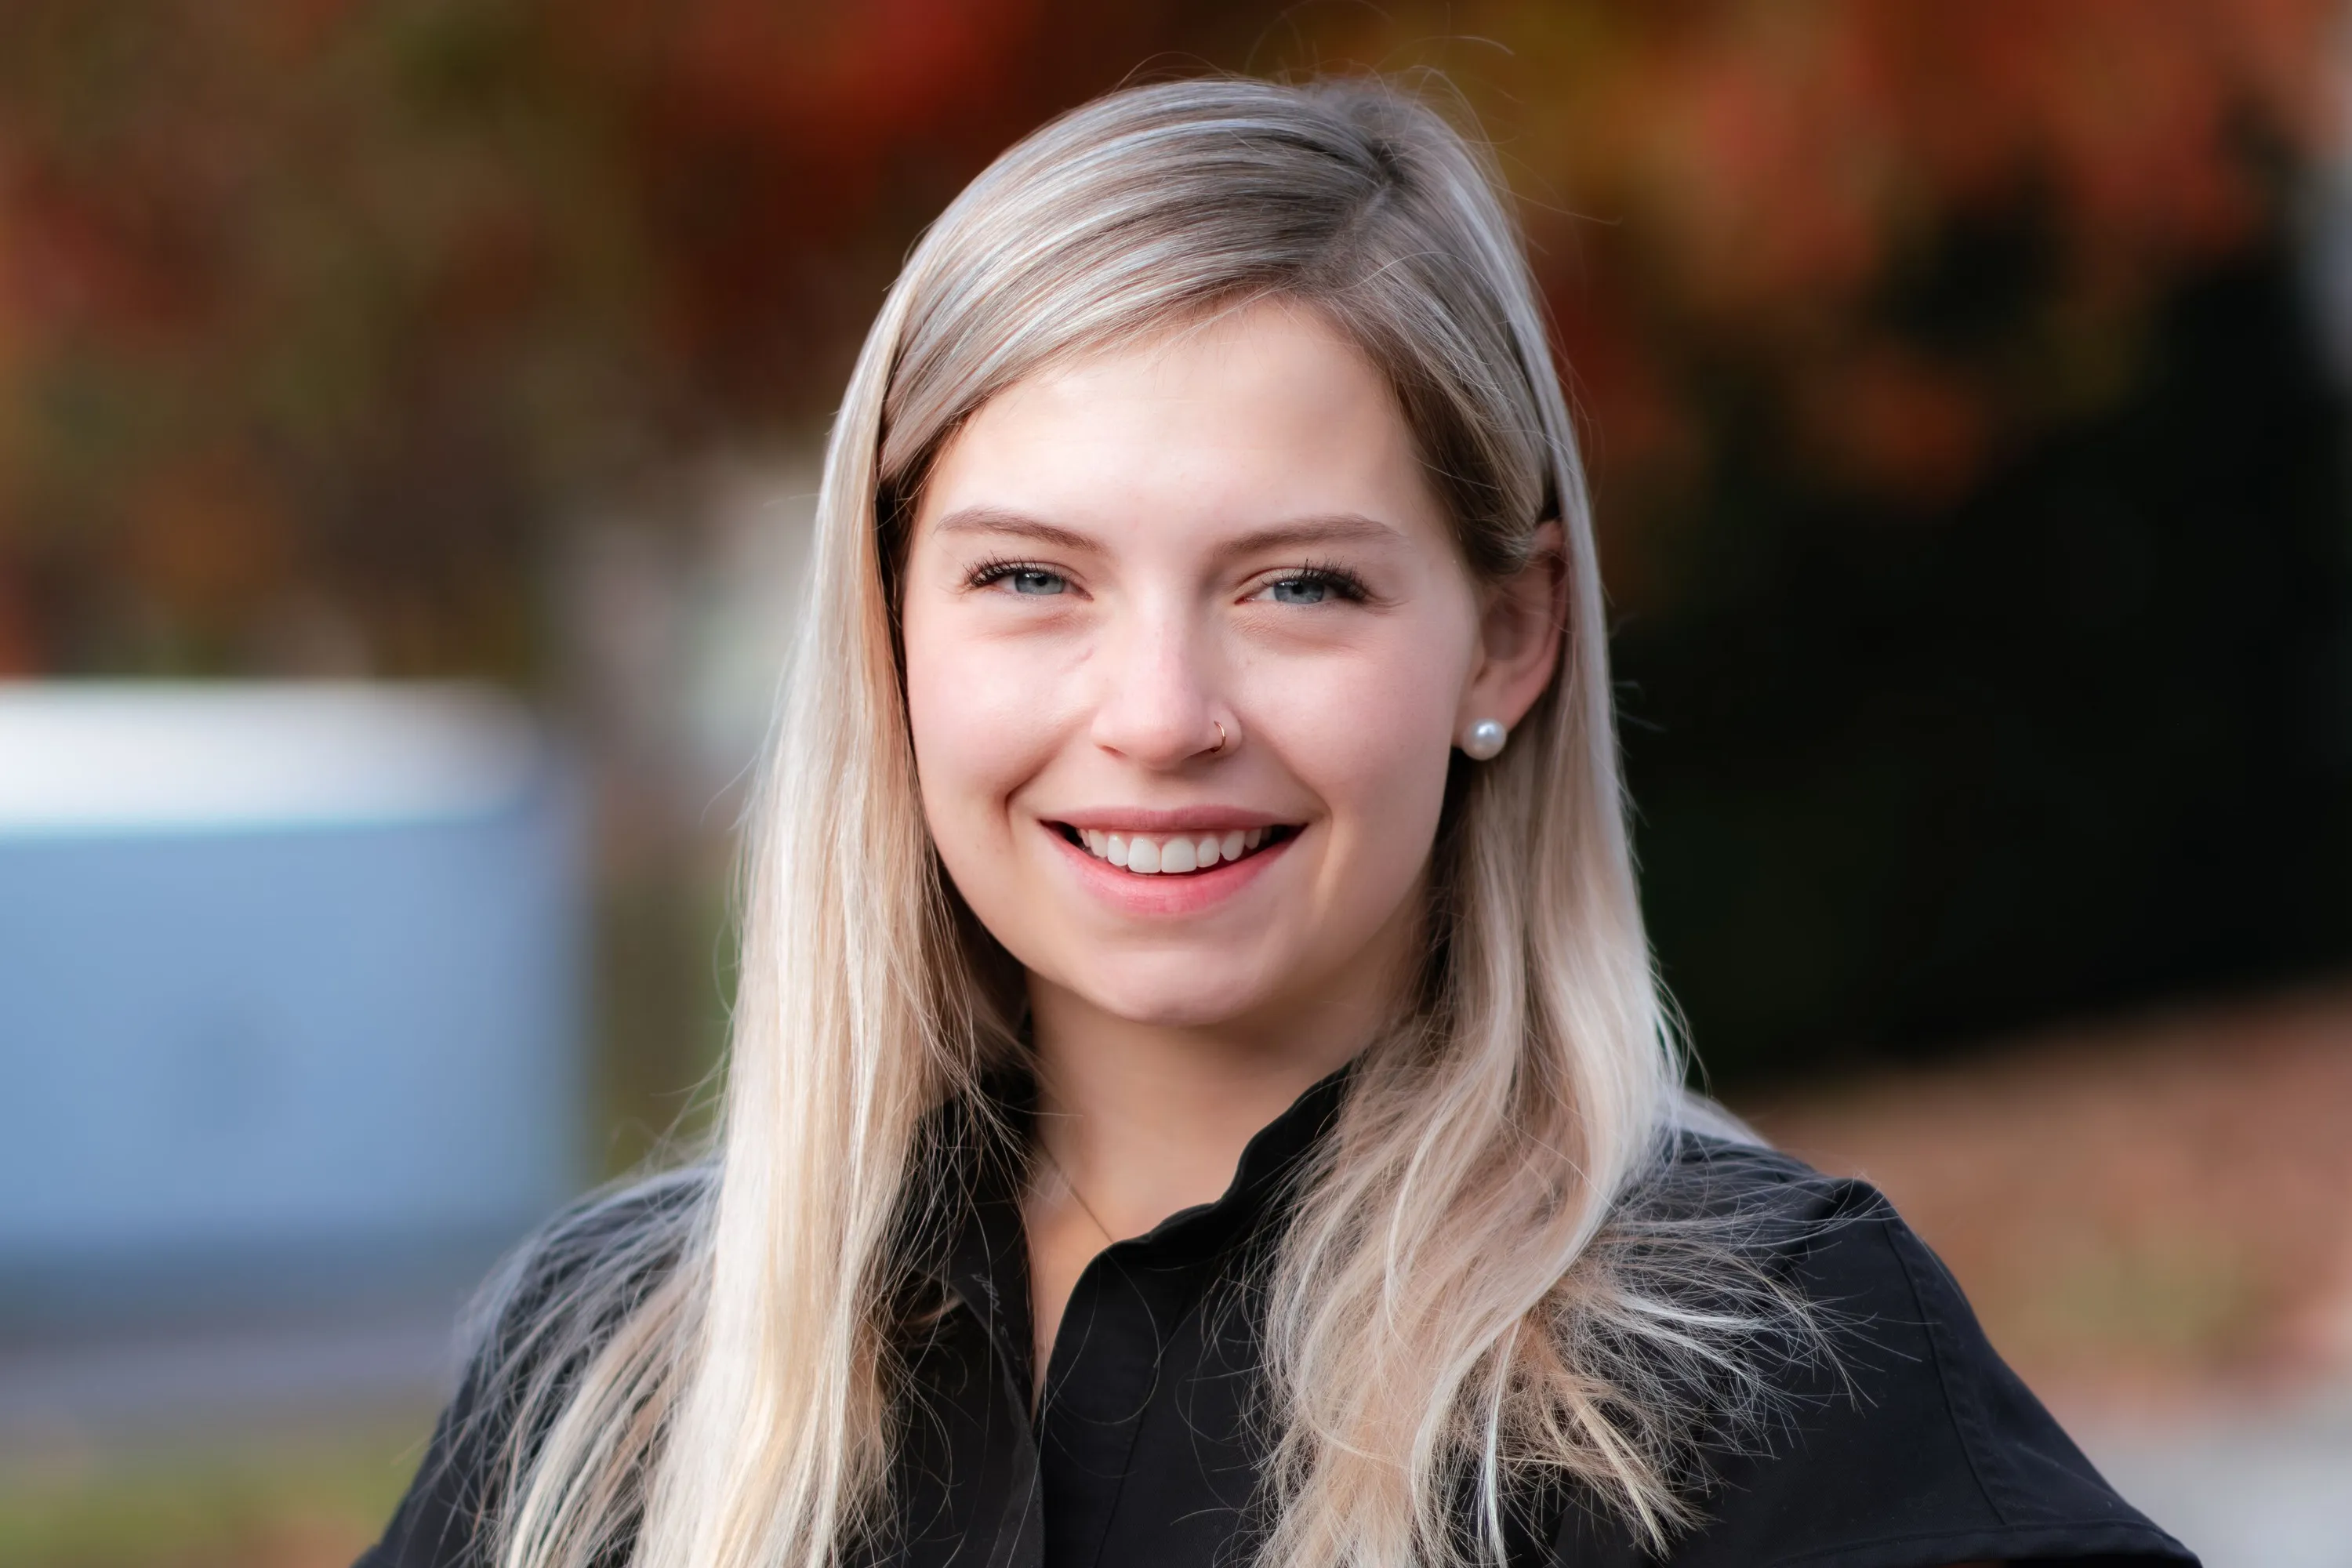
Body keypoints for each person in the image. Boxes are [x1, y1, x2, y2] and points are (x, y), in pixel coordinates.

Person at [359, 76, 2195, 1568]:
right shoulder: (617, 1369)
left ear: (1510, 632)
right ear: (887, 630)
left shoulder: (1754, 1369)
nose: (1159, 715)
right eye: (1030, 579)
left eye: (1298, 586)